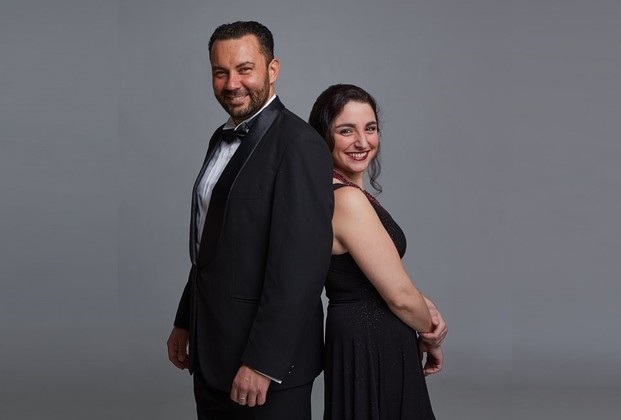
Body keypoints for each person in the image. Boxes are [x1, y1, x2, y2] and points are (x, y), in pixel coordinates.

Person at [167, 21, 333, 420]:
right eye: (220, 72)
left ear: (272, 70)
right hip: (212, 349)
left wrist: (263, 363)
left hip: (267, 366)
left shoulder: (300, 145)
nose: (231, 84)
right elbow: (212, 242)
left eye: (244, 69)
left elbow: (300, 269)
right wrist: (185, 320)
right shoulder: (220, 138)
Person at [308, 84, 447, 419]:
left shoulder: (344, 192)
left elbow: (379, 276)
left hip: (368, 335)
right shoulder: (346, 199)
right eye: (346, 131)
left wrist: (422, 303)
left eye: (370, 128)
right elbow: (399, 297)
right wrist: (431, 333)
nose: (362, 142)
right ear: (323, 136)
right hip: (370, 340)